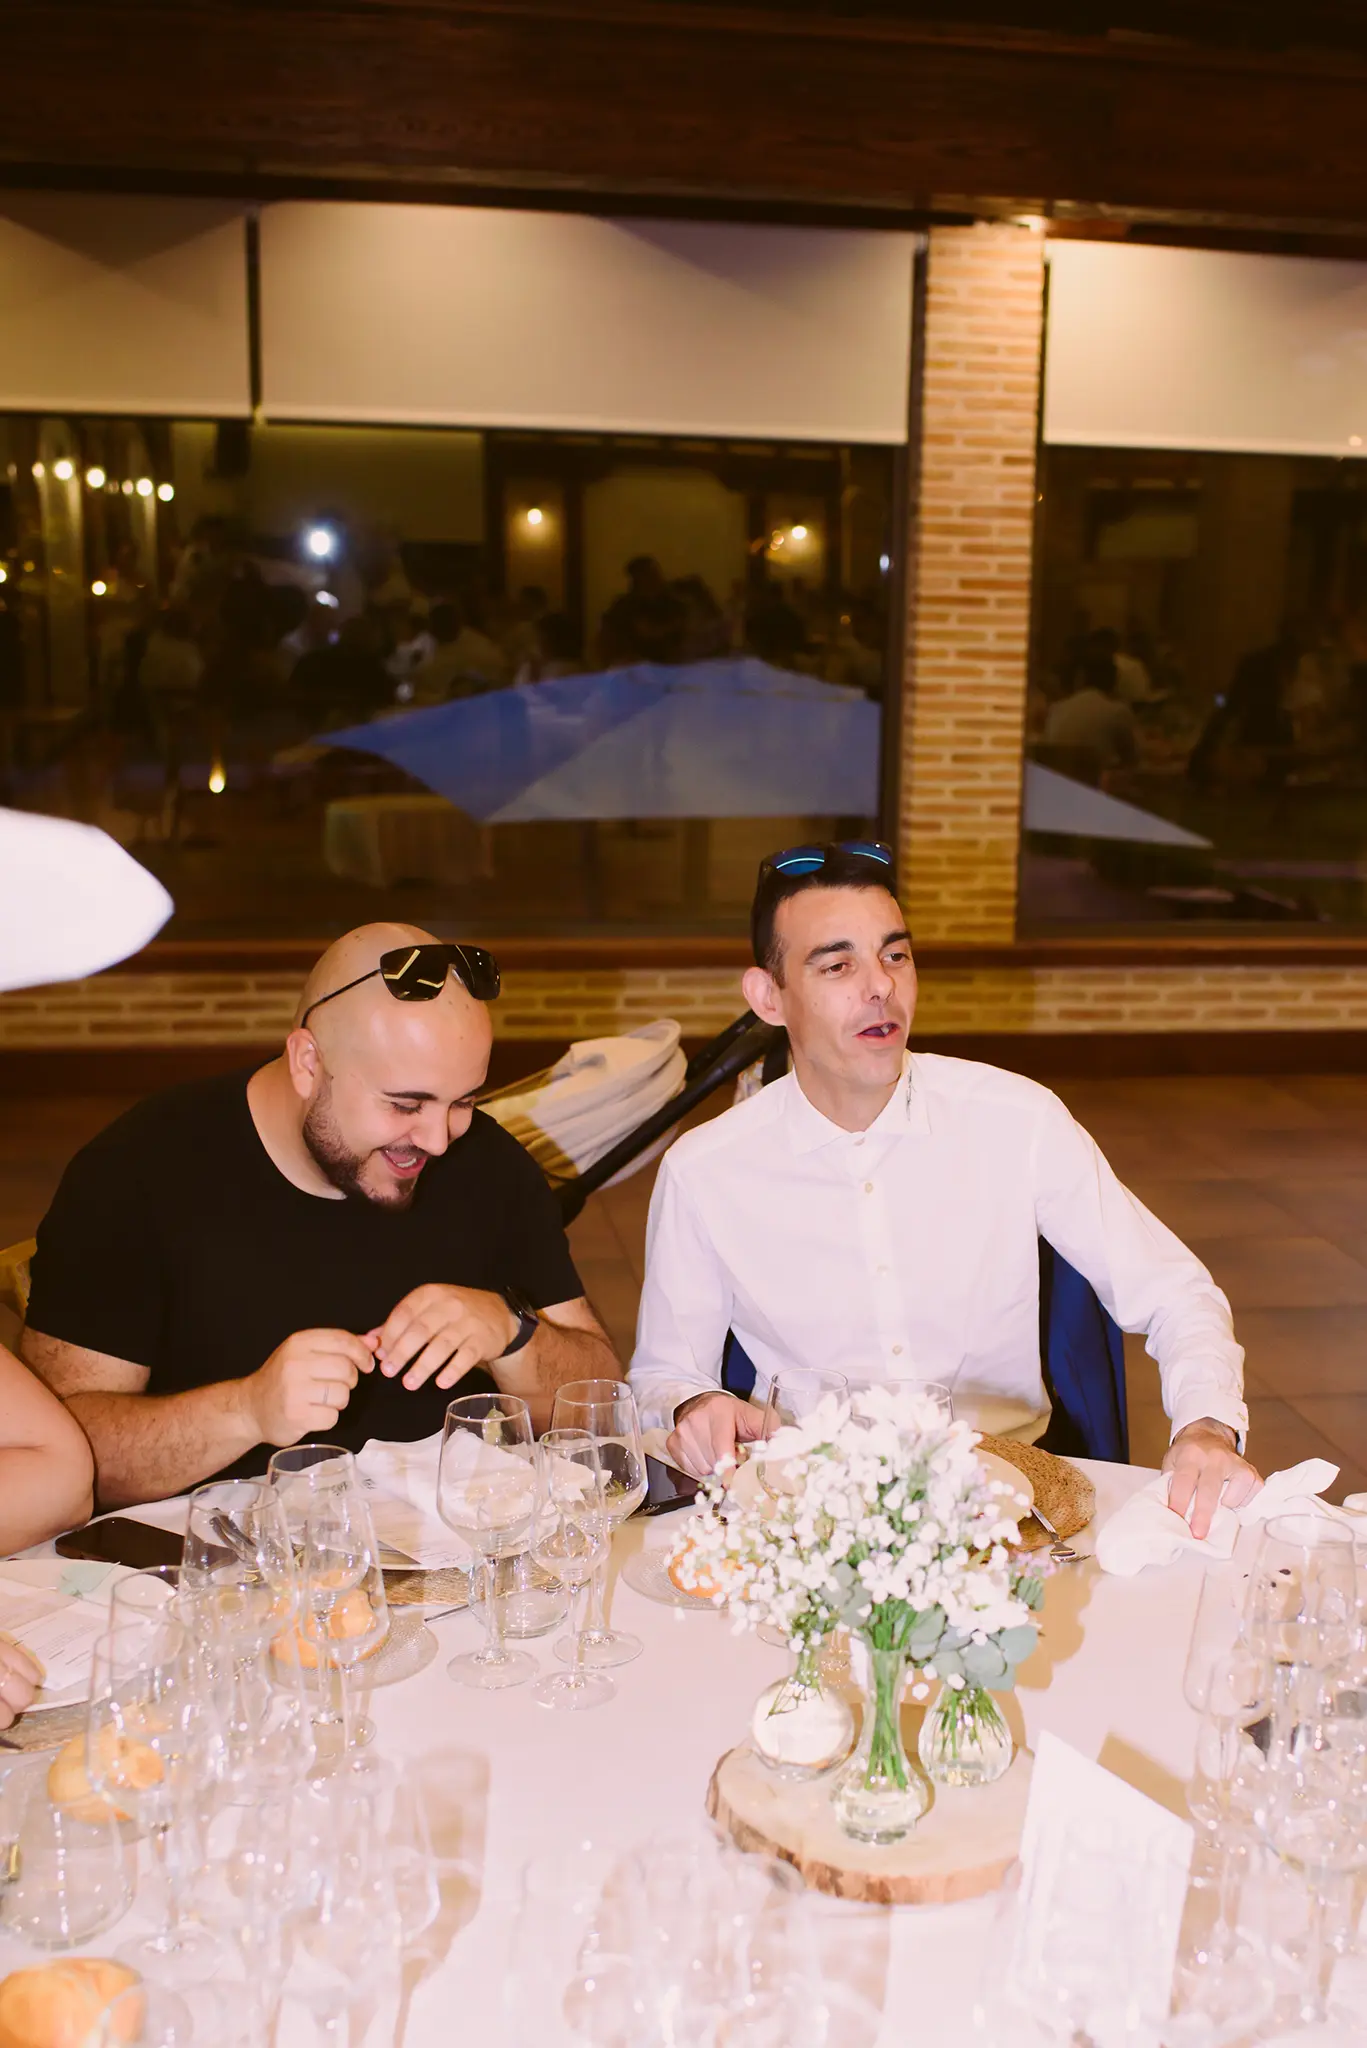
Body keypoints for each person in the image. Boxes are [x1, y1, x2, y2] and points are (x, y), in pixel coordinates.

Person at [628, 844, 1260, 1540]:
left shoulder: (1017, 1120)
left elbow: (1175, 1293)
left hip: (1011, 1503)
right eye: (838, 965)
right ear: (767, 997)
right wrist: (691, 1407)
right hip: (808, 1511)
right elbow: (665, 1372)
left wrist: (1206, 1425)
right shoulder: (706, 1170)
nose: (880, 987)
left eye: (895, 955)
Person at [22, 922, 620, 1508]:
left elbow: (602, 1408)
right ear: (307, 1063)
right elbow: (67, 1459)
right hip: (222, 1556)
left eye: (462, 1101)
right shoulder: (138, 1172)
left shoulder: (486, 1163)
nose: (438, 1140)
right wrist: (246, 1410)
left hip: (451, 1545)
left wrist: (513, 1333)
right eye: (404, 1104)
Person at [1042, 648, 1138, 772]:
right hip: (1095, 781)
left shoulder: (1056, 709)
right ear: (1115, 681)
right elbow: (1133, 759)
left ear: (1080, 678)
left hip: (1057, 779)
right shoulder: (1117, 711)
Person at [409, 600, 507, 703]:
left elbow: (500, 676)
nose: (445, 625)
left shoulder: (479, 647)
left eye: (448, 620)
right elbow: (416, 692)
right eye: (440, 622)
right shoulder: (422, 648)